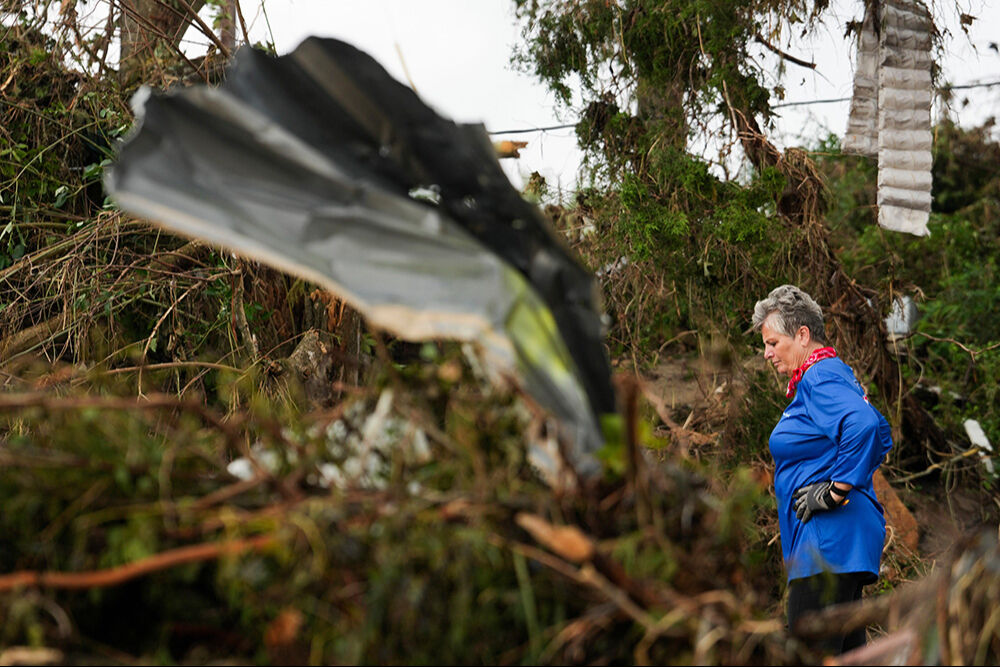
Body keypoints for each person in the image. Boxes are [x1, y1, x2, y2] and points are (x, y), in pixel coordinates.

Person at [751, 284, 893, 656]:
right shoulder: (830, 373)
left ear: (802, 335)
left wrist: (834, 491)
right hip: (838, 546)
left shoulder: (819, 376)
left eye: (773, 343)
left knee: (808, 654)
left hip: (826, 545)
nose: (767, 353)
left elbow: (864, 425)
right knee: (844, 656)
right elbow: (881, 434)